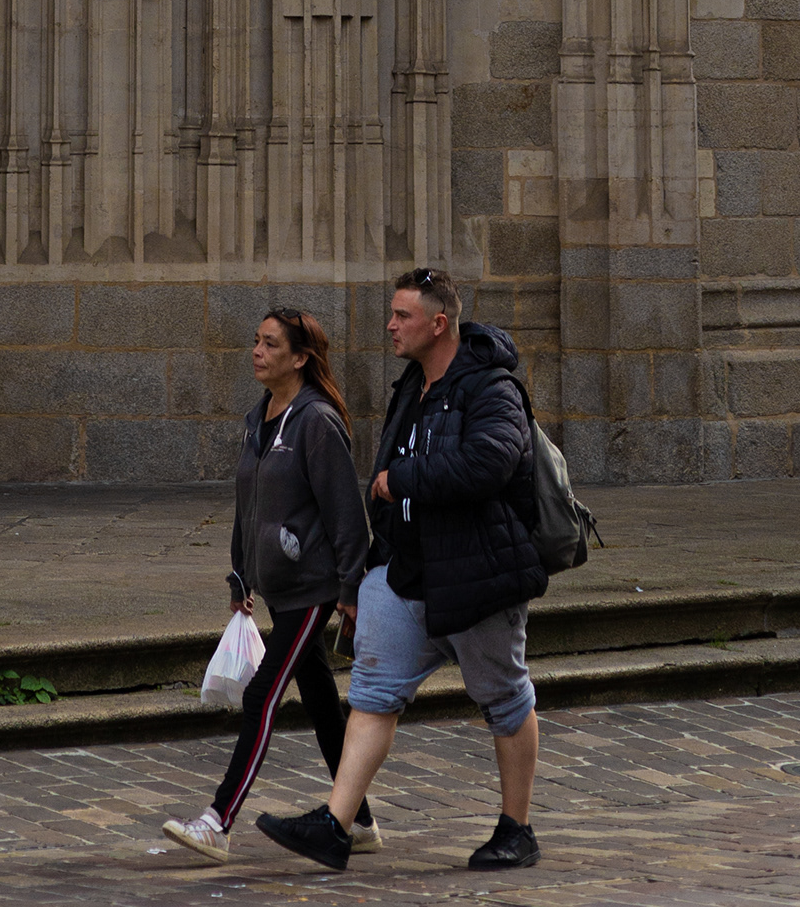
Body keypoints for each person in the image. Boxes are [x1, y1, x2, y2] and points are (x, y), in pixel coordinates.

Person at [257, 267, 546, 876]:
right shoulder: (410, 386)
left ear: (437, 323)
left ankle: (516, 828)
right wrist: (363, 574)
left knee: (503, 696)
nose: (389, 325)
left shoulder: (491, 387)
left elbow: (489, 463)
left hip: (475, 574)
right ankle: (337, 824)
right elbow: (383, 482)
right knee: (372, 691)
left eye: (401, 316)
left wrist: (404, 479)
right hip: (402, 571)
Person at [161, 307, 379, 867]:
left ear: (301, 358)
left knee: (262, 694)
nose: (257, 352)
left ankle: (217, 821)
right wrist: (240, 573)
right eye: (255, 341)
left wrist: (350, 590)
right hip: (276, 586)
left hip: (313, 587)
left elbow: (347, 517)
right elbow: (247, 505)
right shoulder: (257, 418)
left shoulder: (316, 422)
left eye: (270, 345)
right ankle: (361, 821)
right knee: (324, 703)